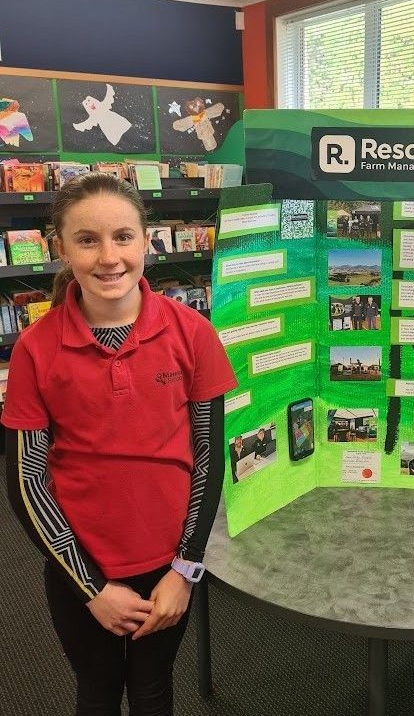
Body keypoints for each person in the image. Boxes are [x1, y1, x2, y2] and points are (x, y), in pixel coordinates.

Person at [1, 172, 237, 716]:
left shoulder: (193, 333)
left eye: (123, 237)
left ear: (146, 241)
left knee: (154, 689)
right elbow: (27, 481)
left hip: (168, 565)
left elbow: (208, 458)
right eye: (87, 240)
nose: (109, 257)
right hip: (79, 566)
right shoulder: (36, 349)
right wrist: (92, 588)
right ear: (61, 248)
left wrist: (185, 570)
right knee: (98, 689)